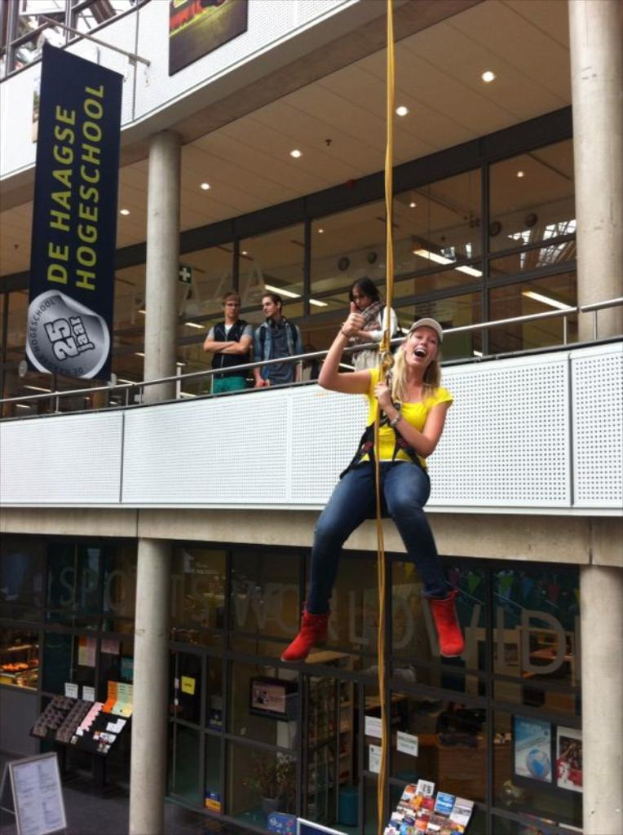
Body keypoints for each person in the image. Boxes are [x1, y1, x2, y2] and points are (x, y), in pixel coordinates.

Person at [281, 307, 464, 662]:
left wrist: (391, 410)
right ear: (407, 343)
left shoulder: (437, 395)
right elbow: (326, 380)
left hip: (406, 468)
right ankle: (313, 620)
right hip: (368, 467)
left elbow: (426, 446)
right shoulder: (380, 375)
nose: (423, 342)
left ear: (434, 355)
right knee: (327, 531)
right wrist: (344, 335)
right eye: (418, 336)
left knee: (405, 505)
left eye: (431, 341)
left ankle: (441, 603)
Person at [203, 291, 253, 394]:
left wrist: (217, 348)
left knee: (236, 407)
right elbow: (207, 347)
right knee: (216, 408)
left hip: (237, 377)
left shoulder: (245, 326)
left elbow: (242, 348)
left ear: (239, 307)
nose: (233, 308)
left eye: (236, 305)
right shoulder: (216, 328)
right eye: (230, 305)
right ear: (223, 307)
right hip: (217, 377)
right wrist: (231, 343)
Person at [346, 277, 399, 370]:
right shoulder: (358, 316)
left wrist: (358, 333)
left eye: (361, 296)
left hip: (380, 360)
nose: (358, 301)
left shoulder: (386, 311)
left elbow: (387, 335)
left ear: (371, 294)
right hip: (360, 362)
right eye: (355, 297)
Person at [253, 292, 303, 387]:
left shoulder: (293, 329)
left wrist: (298, 380)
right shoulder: (260, 331)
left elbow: (299, 358)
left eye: (268, 304)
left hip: (290, 380)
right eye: (263, 305)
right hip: (268, 380)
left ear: (278, 305)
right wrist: (258, 378)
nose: (264, 308)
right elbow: (257, 358)